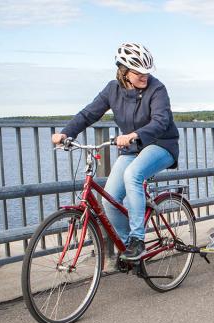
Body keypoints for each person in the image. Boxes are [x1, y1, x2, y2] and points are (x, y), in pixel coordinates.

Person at [51, 42, 179, 261]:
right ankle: (128, 246)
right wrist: (65, 133)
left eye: (147, 71)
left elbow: (160, 121)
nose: (144, 76)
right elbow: (88, 114)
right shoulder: (113, 89)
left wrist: (134, 134)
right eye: (139, 72)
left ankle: (138, 240)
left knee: (133, 175)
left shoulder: (157, 89)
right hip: (132, 149)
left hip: (161, 144)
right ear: (124, 72)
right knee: (109, 199)